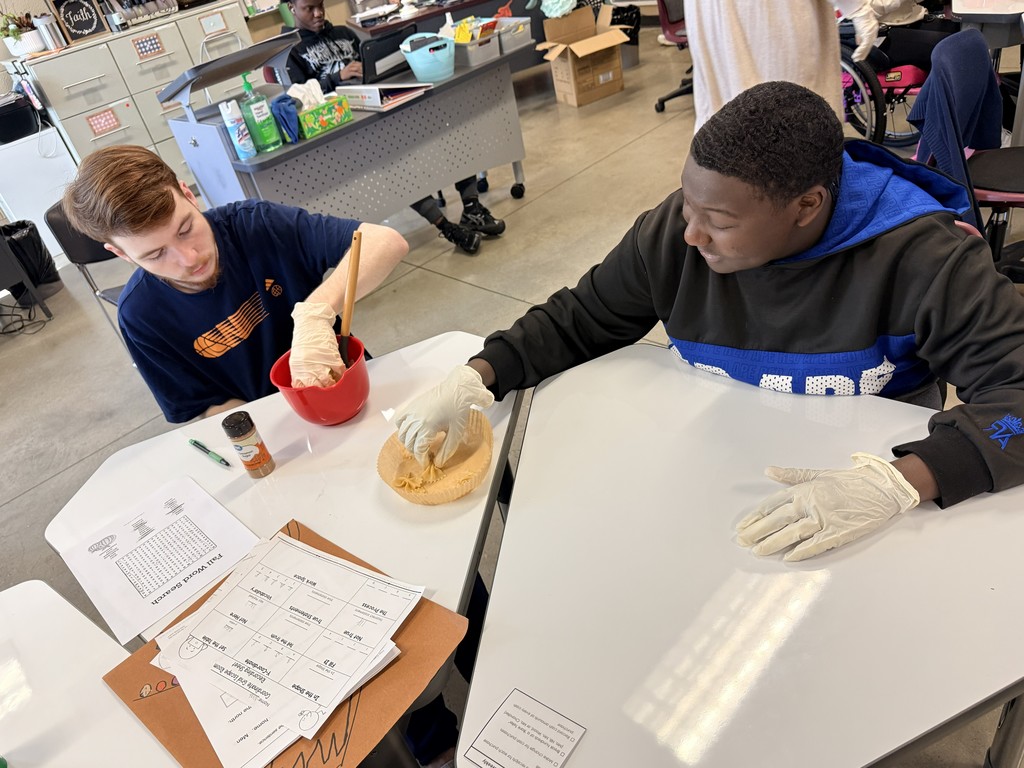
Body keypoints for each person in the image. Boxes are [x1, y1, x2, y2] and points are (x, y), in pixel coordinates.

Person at [394, 81, 1024, 563]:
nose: (691, 236)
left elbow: (1018, 398)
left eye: (719, 222)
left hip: (859, 508)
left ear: (808, 206)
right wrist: (479, 375)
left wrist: (901, 483)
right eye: (688, 205)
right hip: (715, 492)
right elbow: (580, 319)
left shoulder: (926, 259)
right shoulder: (677, 232)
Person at [61, 145, 408, 423]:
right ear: (121, 254)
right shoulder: (141, 316)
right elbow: (203, 406)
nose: (189, 258)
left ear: (188, 195)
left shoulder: (256, 225)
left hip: (353, 390)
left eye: (186, 229)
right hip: (273, 428)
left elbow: (384, 242)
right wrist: (280, 424)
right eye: (155, 255)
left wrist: (314, 313)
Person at [284, 0, 505, 256]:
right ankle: (445, 226)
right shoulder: (290, 52)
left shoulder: (344, 34)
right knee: (393, 159)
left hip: (378, 105)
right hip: (347, 129)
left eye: (320, 5)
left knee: (448, 123)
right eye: (309, 8)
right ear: (291, 7)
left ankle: (471, 207)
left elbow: (372, 67)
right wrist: (337, 78)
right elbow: (297, 99)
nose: (318, 13)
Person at [681, 0, 925, 131]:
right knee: (789, 113)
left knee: (726, 109)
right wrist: (858, 9)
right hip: (771, 20)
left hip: (713, 14)